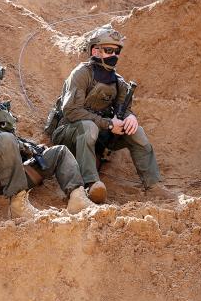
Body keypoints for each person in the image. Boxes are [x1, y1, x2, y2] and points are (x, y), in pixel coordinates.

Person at [0, 58, 93, 218]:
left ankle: (77, 197)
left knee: (59, 152)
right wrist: (20, 145)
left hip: (14, 173)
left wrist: (31, 149)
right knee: (5, 139)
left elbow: (11, 142)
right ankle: (18, 205)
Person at [50, 26, 162, 202]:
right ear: (95, 51)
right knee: (89, 127)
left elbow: (124, 109)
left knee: (136, 131)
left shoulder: (118, 82)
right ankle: (91, 185)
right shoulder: (81, 74)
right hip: (68, 132)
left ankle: (154, 185)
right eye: (109, 50)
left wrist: (130, 117)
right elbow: (71, 111)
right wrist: (108, 124)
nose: (114, 56)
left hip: (98, 133)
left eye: (117, 51)